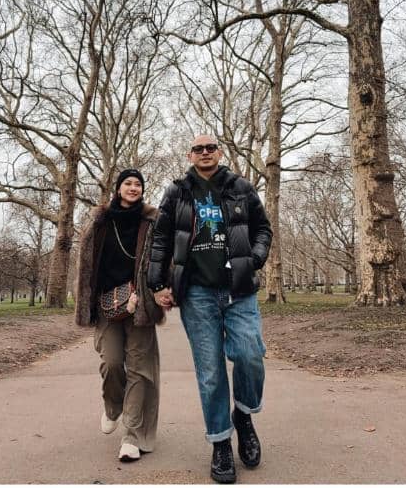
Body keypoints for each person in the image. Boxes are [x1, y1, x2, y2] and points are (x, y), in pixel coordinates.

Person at [149, 135, 272, 484]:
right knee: (211, 372)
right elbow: (161, 239)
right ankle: (220, 443)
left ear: (219, 153)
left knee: (249, 355)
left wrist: (254, 258)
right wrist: (157, 284)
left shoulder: (240, 187)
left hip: (239, 291)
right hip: (198, 294)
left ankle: (244, 417)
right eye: (198, 149)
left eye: (211, 148)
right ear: (189, 155)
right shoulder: (177, 192)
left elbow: (263, 229)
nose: (205, 153)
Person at [75, 169, 164, 462]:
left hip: (141, 306)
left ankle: (132, 436)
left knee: (140, 370)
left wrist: (151, 293)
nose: (134, 187)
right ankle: (113, 406)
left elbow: (164, 259)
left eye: (139, 183)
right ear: (117, 188)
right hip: (106, 305)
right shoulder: (100, 220)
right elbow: (86, 263)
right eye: (128, 183)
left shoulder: (152, 220)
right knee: (112, 364)